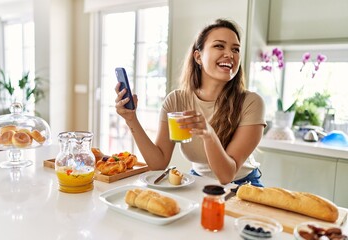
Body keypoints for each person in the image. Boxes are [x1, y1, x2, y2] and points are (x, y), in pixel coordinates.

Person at [114, 19, 266, 187]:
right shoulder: (176, 101)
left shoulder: (251, 103)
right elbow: (158, 164)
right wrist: (131, 119)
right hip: (197, 180)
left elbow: (226, 175)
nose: (230, 55)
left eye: (235, 49)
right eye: (219, 46)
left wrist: (208, 134)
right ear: (198, 56)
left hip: (242, 185)